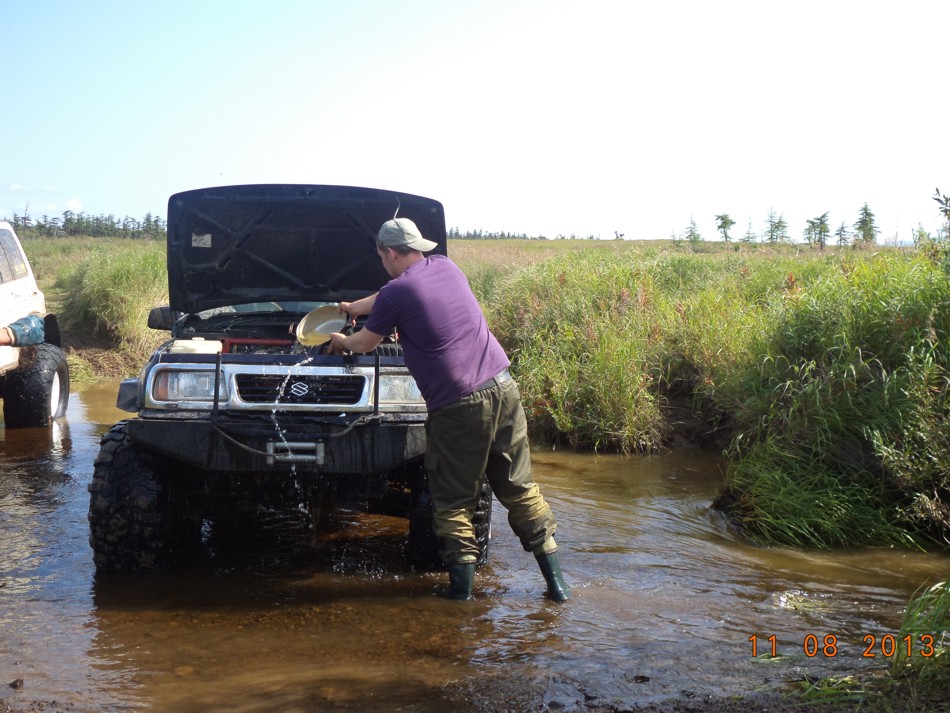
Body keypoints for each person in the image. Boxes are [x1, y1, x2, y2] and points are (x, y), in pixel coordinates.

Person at [328, 217, 569, 602]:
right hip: (503, 386)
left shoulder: (397, 292)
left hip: (459, 405)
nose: (383, 264)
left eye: (382, 257)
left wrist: (341, 341)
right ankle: (558, 588)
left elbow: (365, 344)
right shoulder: (444, 266)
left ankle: (460, 595)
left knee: (454, 501)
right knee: (520, 489)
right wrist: (353, 307)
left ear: (389, 252)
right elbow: (391, 295)